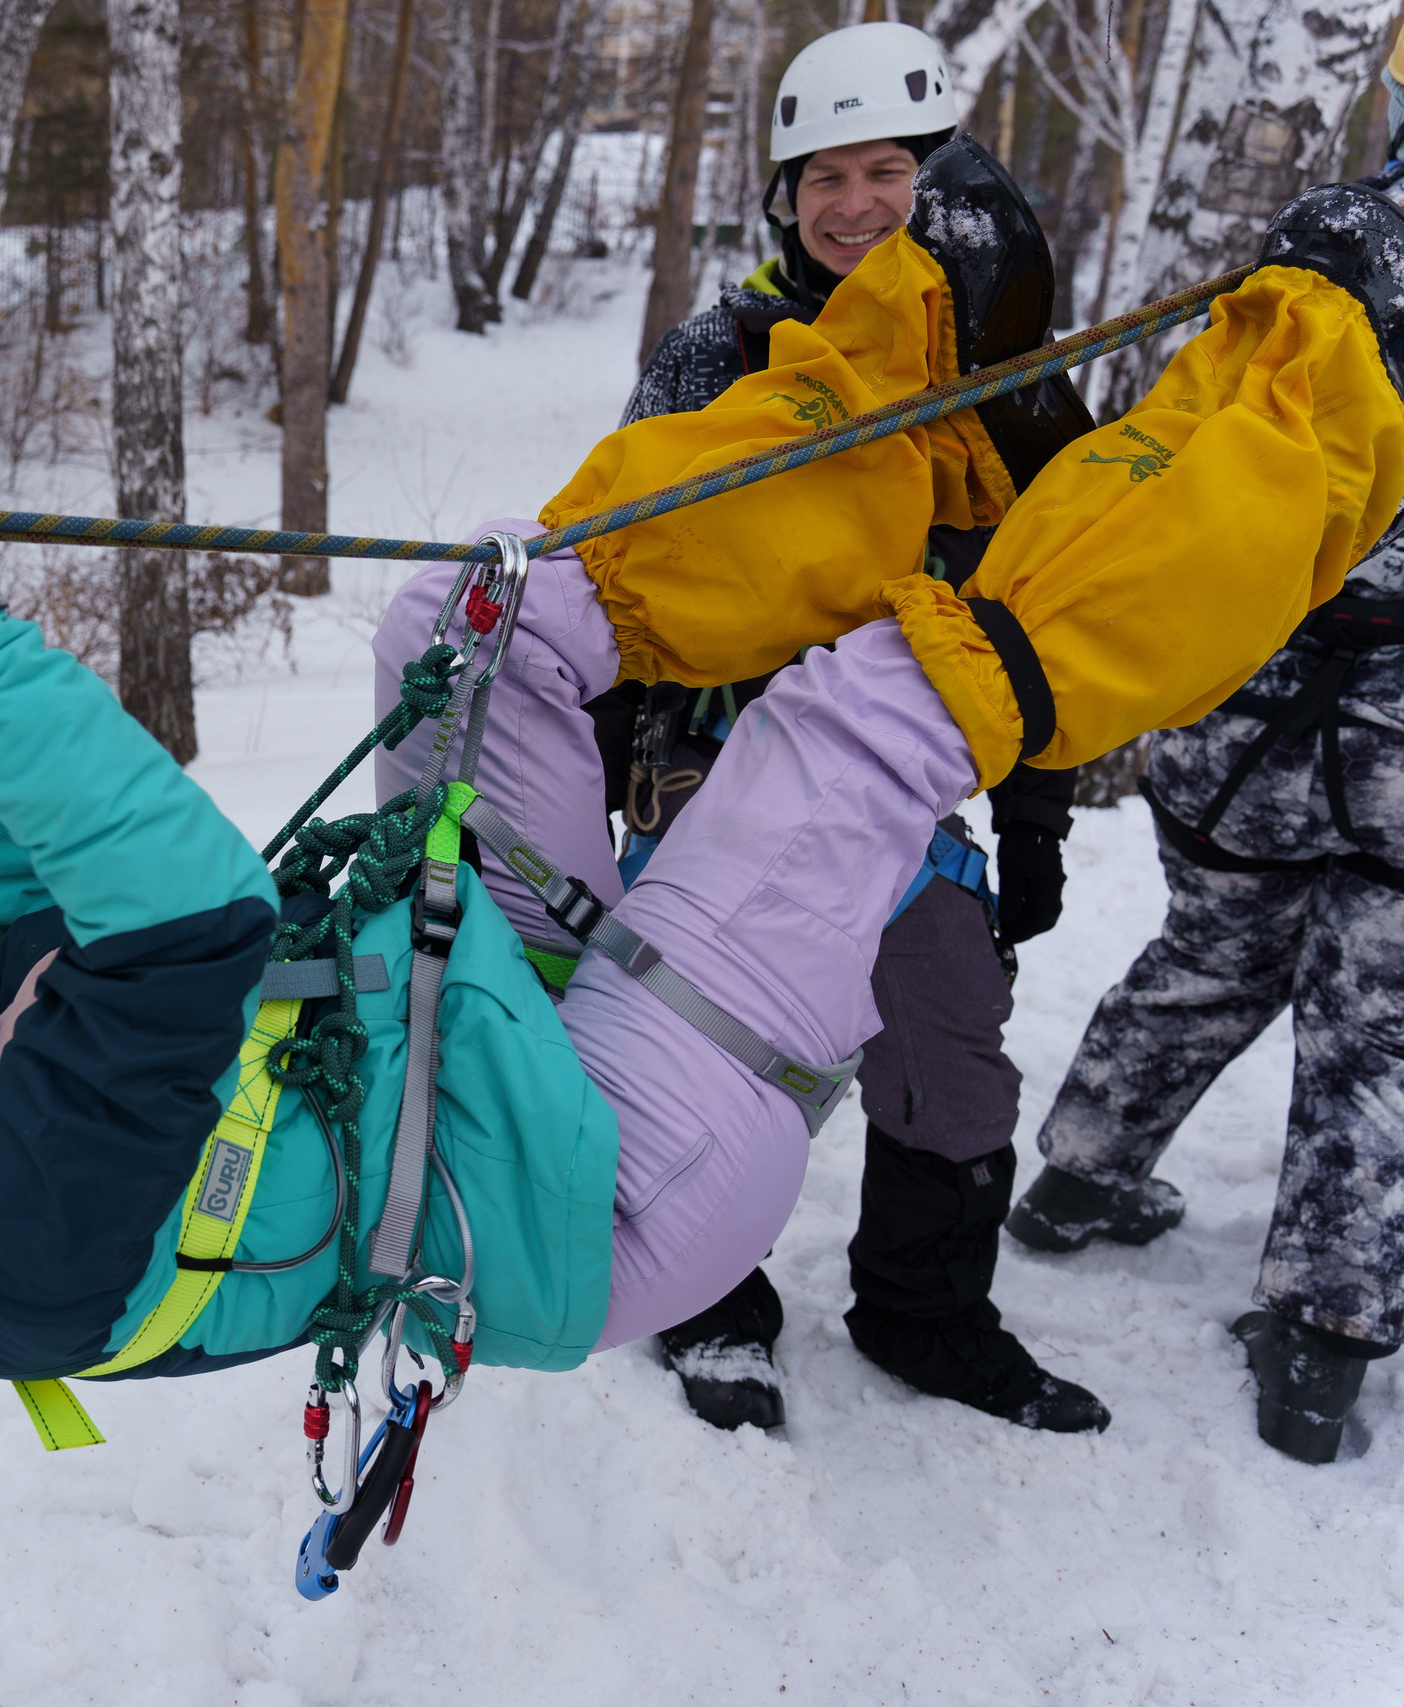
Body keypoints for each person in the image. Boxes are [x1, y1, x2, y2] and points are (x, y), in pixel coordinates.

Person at [0, 143, 1404, 1494]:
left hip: (474, 1017)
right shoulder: (2, 1250)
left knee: (478, 623)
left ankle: (899, 429)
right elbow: (172, 918)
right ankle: (1340, 377)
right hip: (606, 1169)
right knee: (868, 722)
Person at [582, 19, 1102, 1435]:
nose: (856, 204)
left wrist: (1037, 820)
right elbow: (619, 575)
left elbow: (1051, 614)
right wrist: (592, 786)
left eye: (888, 171)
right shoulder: (721, 357)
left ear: (941, 188)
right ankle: (706, 1300)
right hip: (710, 766)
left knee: (951, 1044)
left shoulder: (1007, 382)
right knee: (698, 1050)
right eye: (825, 177)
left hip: (898, 781)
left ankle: (926, 1316)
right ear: (784, 199)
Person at [998, 52, 1404, 1469]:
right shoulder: (1350, 245)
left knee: (1216, 948)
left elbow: (1207, 437)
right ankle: (1323, 1339)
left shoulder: (1339, 239)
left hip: (1259, 689)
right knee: (1380, 1028)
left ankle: (1082, 1176)